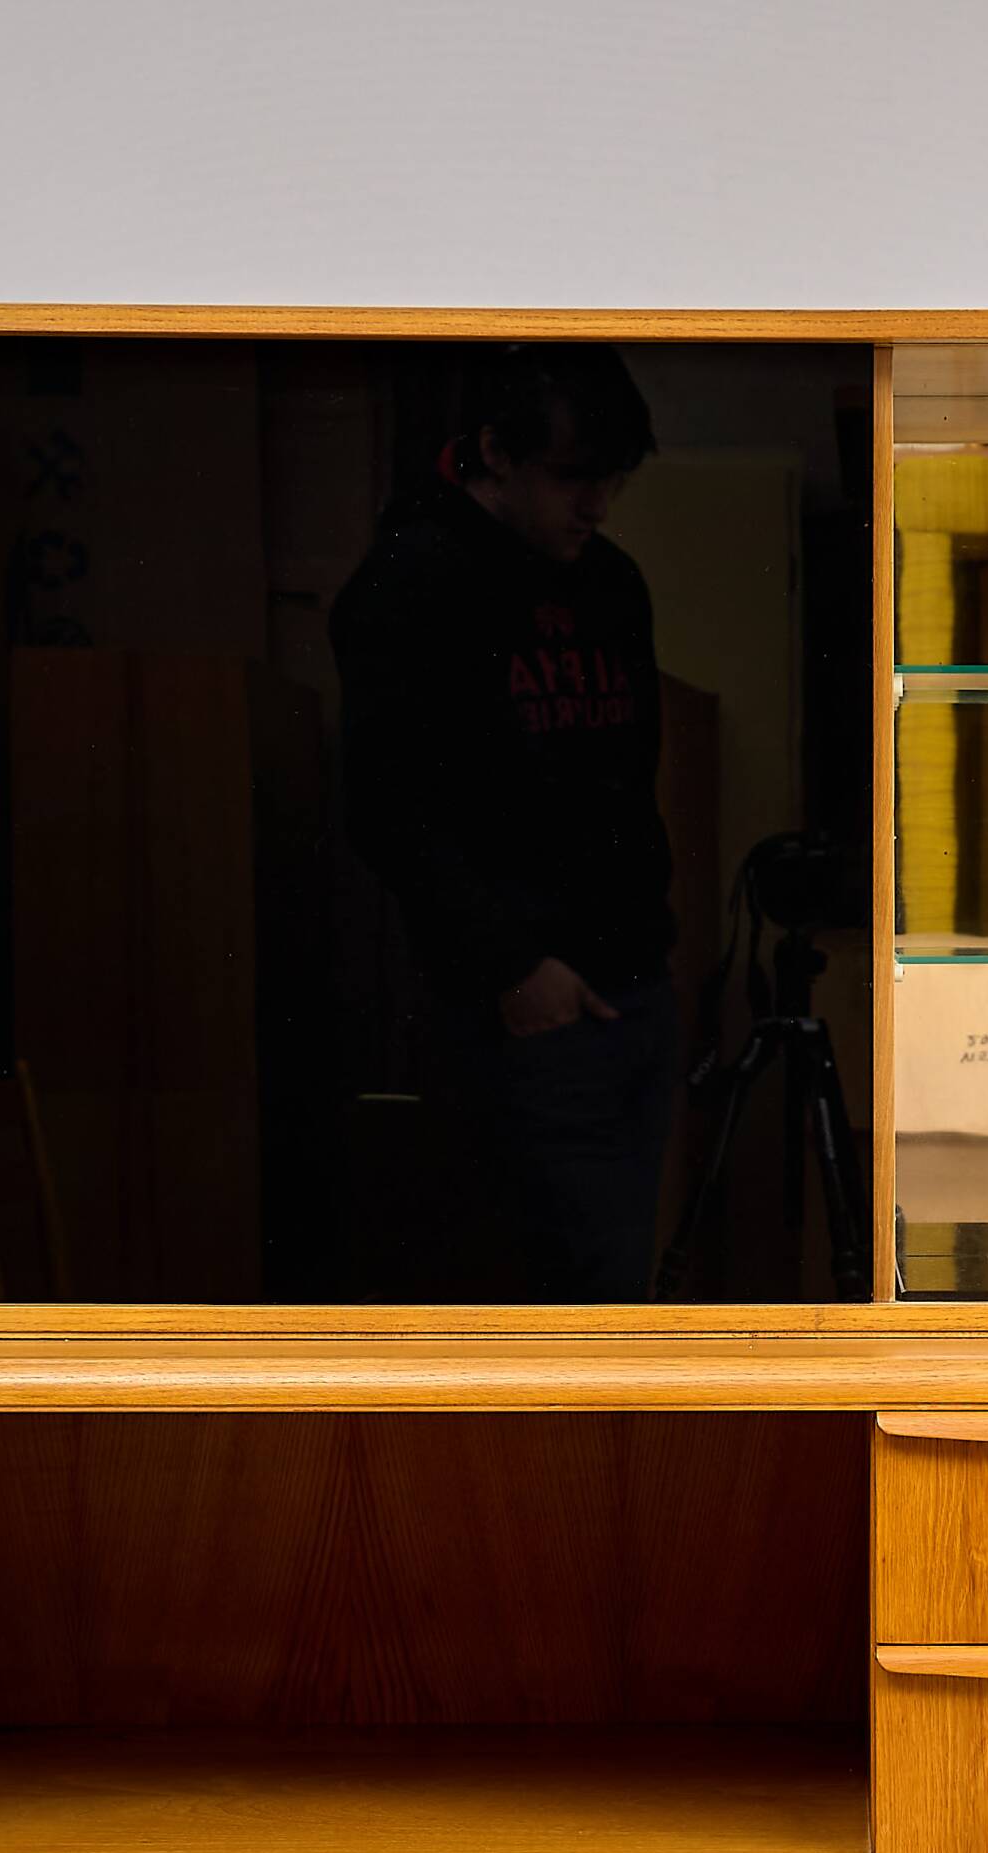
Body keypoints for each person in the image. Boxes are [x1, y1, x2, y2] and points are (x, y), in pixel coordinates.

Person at [332, 346, 679, 1300]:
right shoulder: (414, 580)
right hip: (526, 1009)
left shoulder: (612, 581)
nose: (598, 503)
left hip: (629, 986)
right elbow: (384, 806)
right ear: (493, 452)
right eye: (573, 477)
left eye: (612, 478)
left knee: (613, 1289)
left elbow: (626, 776)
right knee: (554, 1298)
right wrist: (514, 968)